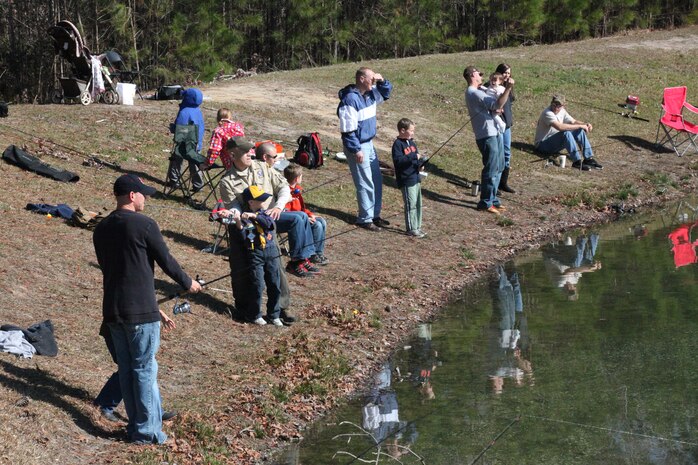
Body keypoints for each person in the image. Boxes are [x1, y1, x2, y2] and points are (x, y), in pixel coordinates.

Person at [93, 174, 202, 444]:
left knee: (129, 370)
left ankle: (138, 428)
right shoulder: (144, 225)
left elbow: (118, 272)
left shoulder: (101, 228)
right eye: (143, 194)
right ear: (132, 195)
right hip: (140, 313)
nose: (146, 199)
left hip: (114, 310)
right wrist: (189, 283)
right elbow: (167, 261)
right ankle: (146, 433)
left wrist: (156, 308)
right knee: (143, 371)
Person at [93, 311, 178, 423]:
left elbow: (145, 297)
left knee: (143, 369)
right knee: (129, 369)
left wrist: (160, 314)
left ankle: (155, 411)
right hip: (119, 326)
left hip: (134, 326)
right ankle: (104, 404)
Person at [338, 67, 393, 231]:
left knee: (376, 179)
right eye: (371, 79)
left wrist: (382, 81)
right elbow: (348, 130)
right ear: (361, 79)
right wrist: (356, 150)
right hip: (358, 146)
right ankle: (365, 218)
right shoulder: (350, 100)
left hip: (369, 144)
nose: (374, 81)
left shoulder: (370, 94)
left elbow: (386, 93)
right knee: (365, 182)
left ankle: (374, 216)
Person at [463, 66, 514, 214]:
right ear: (472, 75)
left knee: (500, 165)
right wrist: (508, 88)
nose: (481, 77)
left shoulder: (478, 91)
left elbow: (494, 107)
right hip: (486, 135)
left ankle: (493, 200)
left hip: (494, 131)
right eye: (479, 74)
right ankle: (485, 202)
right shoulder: (474, 93)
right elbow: (498, 103)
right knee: (491, 168)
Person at [233, 185, 283, 326]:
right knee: (257, 284)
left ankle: (274, 314)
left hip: (271, 252)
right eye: (260, 200)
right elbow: (243, 237)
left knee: (274, 283)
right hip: (255, 254)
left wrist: (254, 216)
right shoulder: (245, 218)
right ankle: (254, 314)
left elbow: (268, 224)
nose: (263, 202)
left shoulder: (265, 214)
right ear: (251, 202)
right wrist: (238, 221)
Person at [534, 94, 603, 171]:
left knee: (578, 130)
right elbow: (560, 127)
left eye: (559, 106)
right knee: (566, 133)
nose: (556, 107)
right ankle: (576, 161)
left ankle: (588, 159)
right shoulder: (547, 113)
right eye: (554, 105)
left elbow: (573, 121)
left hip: (555, 142)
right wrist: (580, 126)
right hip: (542, 145)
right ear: (551, 103)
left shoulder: (562, 111)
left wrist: (585, 124)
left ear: (563, 106)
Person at [283, 163, 329, 265]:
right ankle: (313, 254)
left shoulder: (296, 189)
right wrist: (305, 219)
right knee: (316, 225)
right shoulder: (286, 192)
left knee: (321, 221)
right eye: (301, 176)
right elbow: (286, 212)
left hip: (302, 215)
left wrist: (310, 214)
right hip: (296, 218)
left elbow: (301, 208)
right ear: (296, 178)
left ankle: (318, 252)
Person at [391, 118, 426, 238]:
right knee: (410, 204)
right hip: (406, 179)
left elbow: (415, 159)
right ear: (402, 130)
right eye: (411, 131)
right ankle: (411, 228)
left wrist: (420, 165)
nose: (413, 133)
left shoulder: (412, 143)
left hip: (416, 177)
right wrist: (412, 156)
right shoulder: (397, 145)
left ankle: (417, 226)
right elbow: (398, 161)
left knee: (418, 204)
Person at [167, 88, 205, 191]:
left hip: (184, 145)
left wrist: (172, 128)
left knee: (176, 160)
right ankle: (198, 184)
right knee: (195, 164)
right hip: (197, 144)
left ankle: (174, 180)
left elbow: (180, 129)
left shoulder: (184, 112)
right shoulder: (198, 111)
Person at [492, 63, 516, 193]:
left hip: (507, 125)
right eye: (505, 73)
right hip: (497, 125)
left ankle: (503, 183)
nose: (507, 75)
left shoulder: (509, 86)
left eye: (509, 73)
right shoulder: (492, 85)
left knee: (507, 154)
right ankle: (494, 184)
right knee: (498, 156)